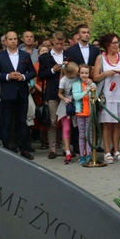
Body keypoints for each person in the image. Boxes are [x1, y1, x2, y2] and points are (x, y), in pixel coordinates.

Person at [0, 31, 37, 160]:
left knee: (22, 122)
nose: (13, 41)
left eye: (15, 39)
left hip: (22, 92)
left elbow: (32, 72)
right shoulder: (0, 56)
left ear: (18, 41)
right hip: (7, 93)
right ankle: (7, 148)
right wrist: (7, 76)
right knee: (6, 122)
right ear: (5, 41)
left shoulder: (24, 55)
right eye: (10, 39)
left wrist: (23, 76)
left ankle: (24, 149)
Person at [93, 33, 120, 163]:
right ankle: (107, 151)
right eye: (114, 43)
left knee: (118, 123)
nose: (116, 45)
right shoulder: (100, 58)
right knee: (108, 123)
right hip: (108, 93)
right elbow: (95, 77)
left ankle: (116, 150)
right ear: (107, 44)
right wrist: (106, 73)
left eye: (117, 42)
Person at [39, 31, 66, 159]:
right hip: (52, 91)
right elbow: (41, 75)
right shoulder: (45, 57)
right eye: (57, 43)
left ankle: (67, 148)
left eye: (61, 43)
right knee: (52, 121)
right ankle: (53, 148)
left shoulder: (68, 55)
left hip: (67, 92)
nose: (59, 46)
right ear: (52, 42)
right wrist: (52, 70)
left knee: (66, 120)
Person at [72, 64, 97, 165]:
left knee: (89, 135)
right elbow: (76, 97)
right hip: (80, 113)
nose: (84, 75)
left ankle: (89, 155)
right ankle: (81, 155)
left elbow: (95, 98)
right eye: (82, 73)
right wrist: (86, 91)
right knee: (82, 135)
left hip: (89, 113)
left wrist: (93, 88)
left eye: (86, 73)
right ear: (79, 73)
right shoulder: (76, 84)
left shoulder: (92, 84)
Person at [57, 62, 79, 164]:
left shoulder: (77, 78)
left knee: (77, 127)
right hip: (66, 105)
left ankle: (81, 150)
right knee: (67, 128)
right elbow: (59, 93)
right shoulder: (63, 80)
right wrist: (65, 99)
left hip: (76, 104)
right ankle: (67, 151)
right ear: (70, 74)